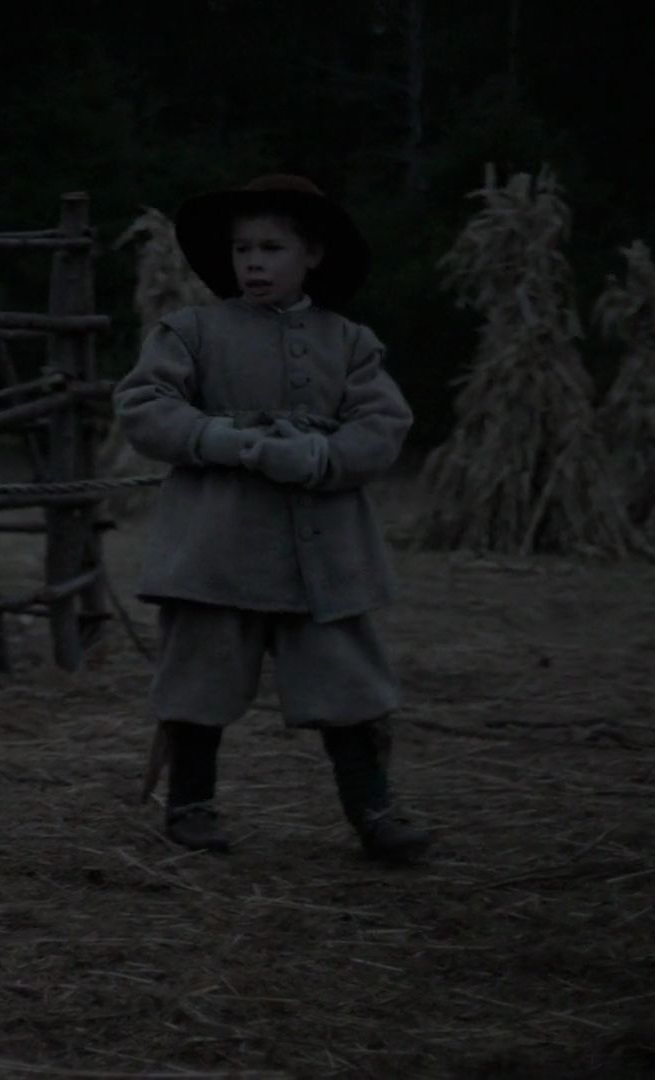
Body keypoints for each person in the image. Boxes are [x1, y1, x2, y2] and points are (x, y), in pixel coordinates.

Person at [111, 174, 431, 862]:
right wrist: (215, 438)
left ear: (312, 255)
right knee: (200, 681)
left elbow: (383, 424)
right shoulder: (191, 331)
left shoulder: (350, 342)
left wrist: (320, 456)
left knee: (349, 686)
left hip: (323, 558)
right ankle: (191, 807)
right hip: (216, 551)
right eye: (242, 249)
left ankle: (374, 813)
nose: (253, 263)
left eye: (272, 248)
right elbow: (144, 405)